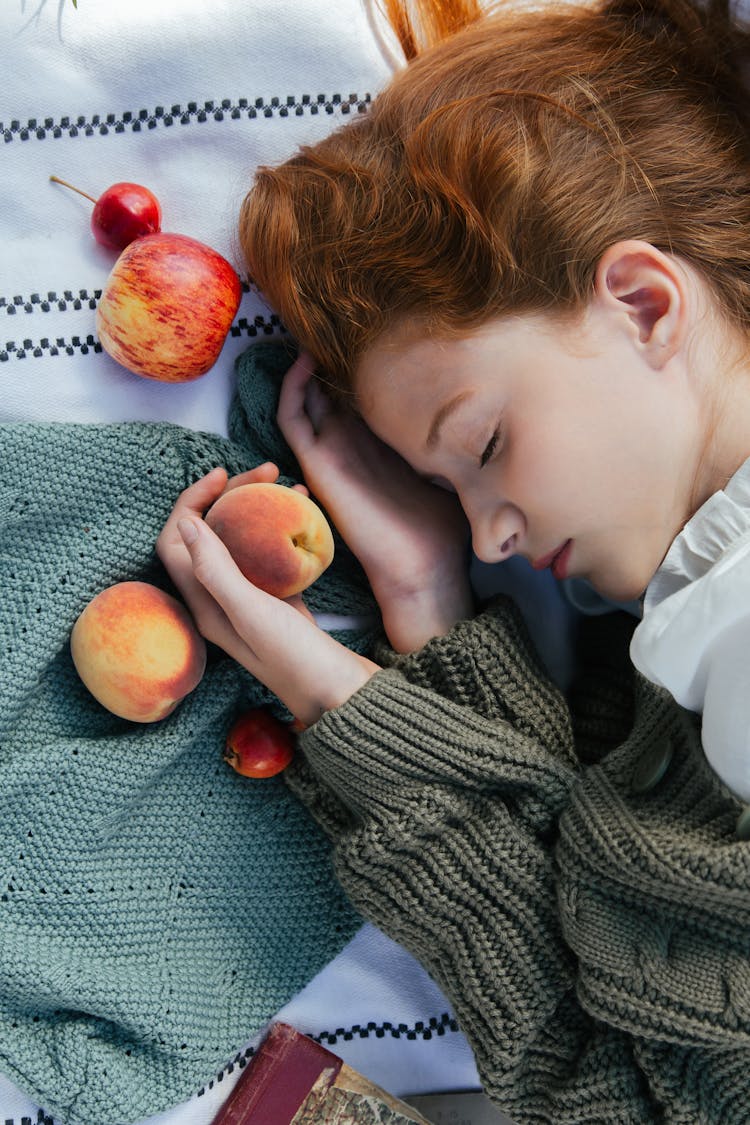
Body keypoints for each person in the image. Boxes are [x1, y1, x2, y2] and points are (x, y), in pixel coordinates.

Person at [157, 0, 750, 1118]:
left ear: (643, 300)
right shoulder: (673, 674)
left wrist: (344, 695)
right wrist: (425, 609)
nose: (491, 537)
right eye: (456, 487)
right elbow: (603, 1054)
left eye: (483, 445)